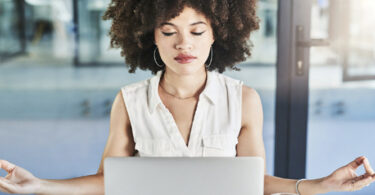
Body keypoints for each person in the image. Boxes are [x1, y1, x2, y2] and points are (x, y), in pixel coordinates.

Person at [1, 0, 375, 194]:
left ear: (217, 35)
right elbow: (108, 181)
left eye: (197, 31)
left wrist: (320, 185)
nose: (184, 44)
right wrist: (39, 185)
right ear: (151, 37)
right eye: (169, 32)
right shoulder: (128, 101)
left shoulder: (244, 100)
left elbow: (253, 183)